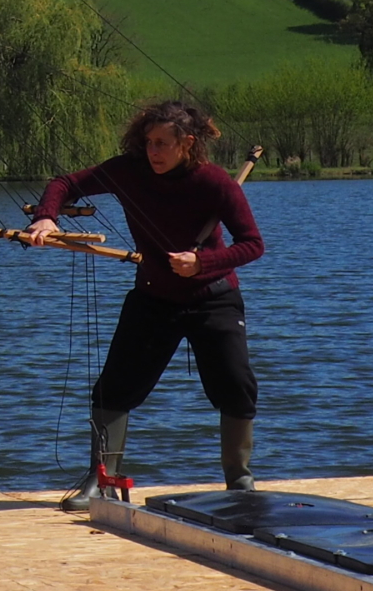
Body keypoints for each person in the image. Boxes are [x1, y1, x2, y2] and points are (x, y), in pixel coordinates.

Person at [28, 98, 264, 503]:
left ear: (187, 143)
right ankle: (101, 481)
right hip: (154, 298)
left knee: (236, 386)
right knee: (113, 388)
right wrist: (47, 216)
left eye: (162, 144)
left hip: (214, 299)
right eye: (149, 142)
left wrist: (202, 262)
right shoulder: (128, 171)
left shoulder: (214, 182)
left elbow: (253, 244)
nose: (153, 151)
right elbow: (64, 183)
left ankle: (239, 481)